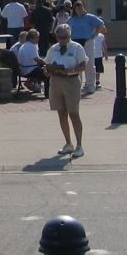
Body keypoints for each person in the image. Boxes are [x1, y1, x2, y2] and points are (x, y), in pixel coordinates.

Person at [39, 23, 87, 158]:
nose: (62, 40)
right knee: (61, 112)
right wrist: (46, 71)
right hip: (56, 81)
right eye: (59, 37)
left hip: (71, 81)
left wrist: (71, 70)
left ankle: (79, 145)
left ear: (69, 36)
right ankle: (68, 143)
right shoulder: (53, 49)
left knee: (73, 113)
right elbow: (46, 64)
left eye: (64, 37)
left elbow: (83, 65)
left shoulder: (77, 47)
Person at [69, 1, 105, 95]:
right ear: (74, 9)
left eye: (81, 7)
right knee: (76, 64)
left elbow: (101, 24)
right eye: (77, 8)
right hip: (75, 43)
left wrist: (95, 35)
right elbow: (66, 29)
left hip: (88, 41)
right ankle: (78, 84)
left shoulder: (89, 17)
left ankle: (90, 84)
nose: (80, 9)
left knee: (89, 63)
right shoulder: (71, 19)